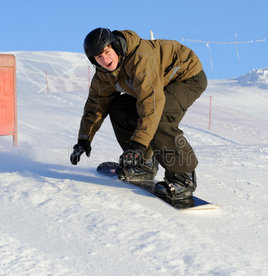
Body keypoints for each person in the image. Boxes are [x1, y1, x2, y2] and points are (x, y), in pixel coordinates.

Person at [70, 28, 207, 208]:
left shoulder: (140, 59)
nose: (105, 60)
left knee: (160, 118)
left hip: (185, 77)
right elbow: (96, 105)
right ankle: (143, 163)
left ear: (115, 47)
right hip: (158, 84)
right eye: (98, 57)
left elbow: (151, 103)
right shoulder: (104, 74)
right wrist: (84, 139)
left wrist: (138, 144)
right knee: (119, 107)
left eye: (106, 52)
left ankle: (183, 178)